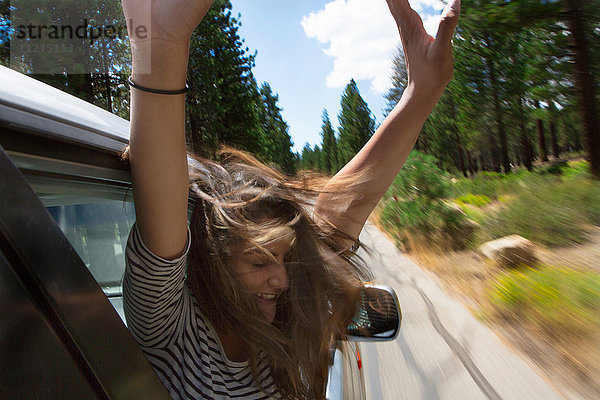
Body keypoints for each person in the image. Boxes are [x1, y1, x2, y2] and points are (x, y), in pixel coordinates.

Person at [121, 0, 460, 399]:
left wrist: (422, 93)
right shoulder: (173, 331)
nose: (281, 280)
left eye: (284, 259)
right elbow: (163, 238)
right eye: (259, 260)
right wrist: (159, 45)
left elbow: (338, 213)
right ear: (211, 259)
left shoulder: (280, 324)